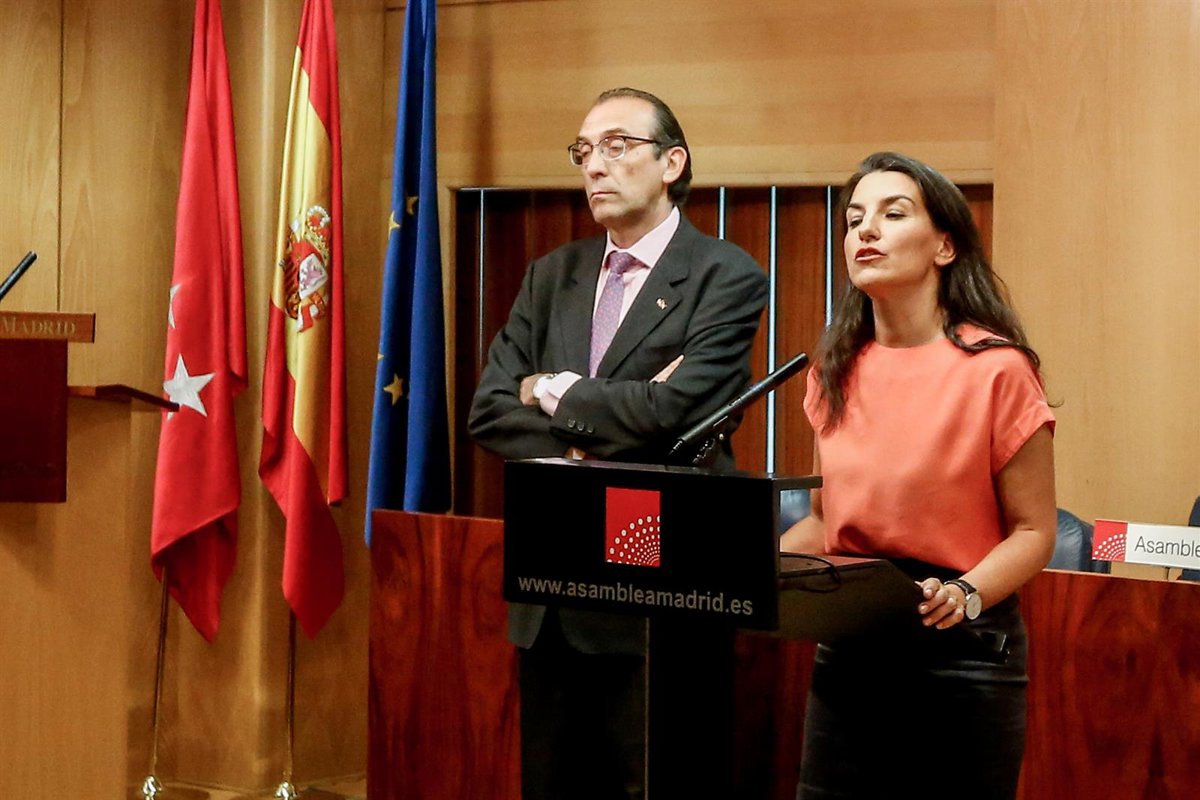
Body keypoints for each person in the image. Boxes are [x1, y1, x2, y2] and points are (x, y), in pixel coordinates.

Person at [468, 87, 769, 800]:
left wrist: (549, 388)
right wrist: (608, 428)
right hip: (553, 585)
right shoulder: (552, 275)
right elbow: (489, 412)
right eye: (584, 151)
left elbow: (675, 414)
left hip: (663, 592)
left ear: (672, 163)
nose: (594, 165)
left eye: (616, 146)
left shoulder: (725, 275)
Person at [779, 151, 1057, 800]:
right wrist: (750, 570)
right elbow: (824, 522)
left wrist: (964, 594)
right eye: (854, 220)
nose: (866, 231)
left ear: (944, 246)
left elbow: (1034, 532)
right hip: (852, 647)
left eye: (893, 214)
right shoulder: (835, 369)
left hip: (964, 648)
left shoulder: (998, 369)